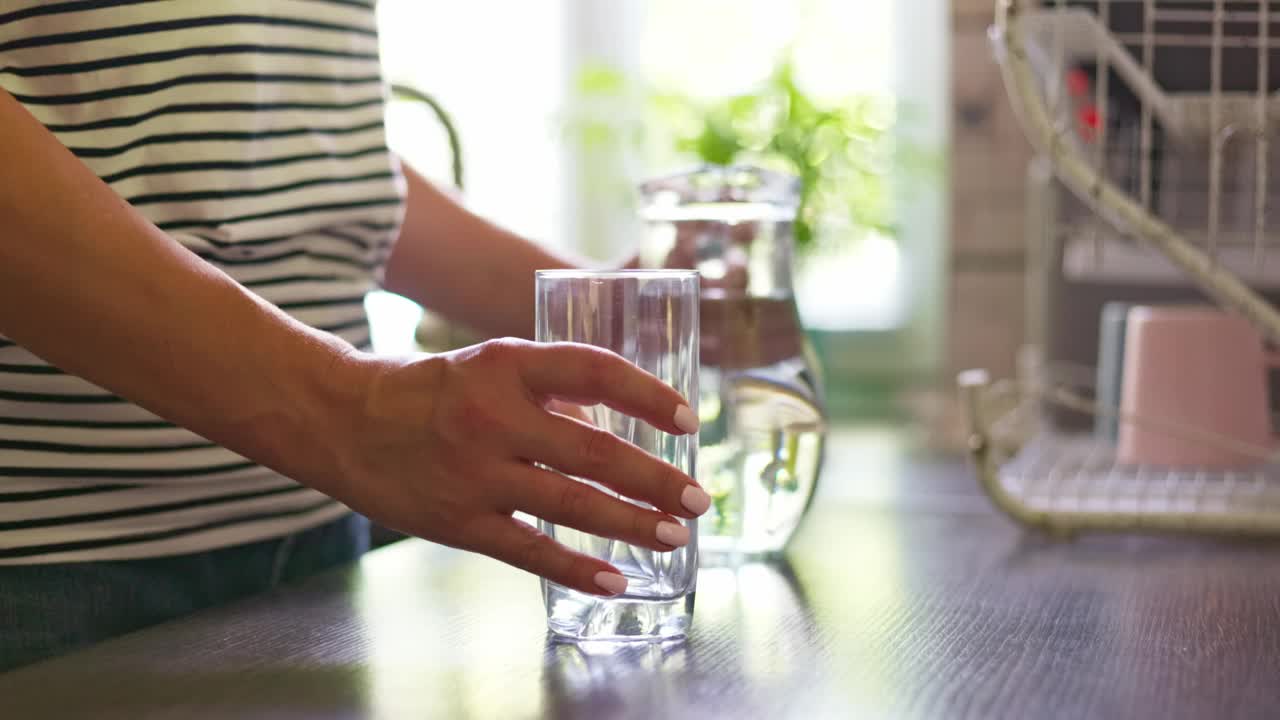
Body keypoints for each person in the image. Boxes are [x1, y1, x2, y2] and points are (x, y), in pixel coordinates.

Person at [0, 1, 710, 671]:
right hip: (47, 566)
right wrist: (347, 406)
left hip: (315, 547)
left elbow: (311, 166)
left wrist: (617, 306)